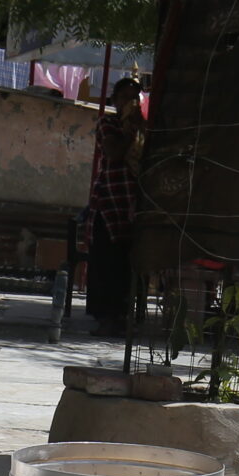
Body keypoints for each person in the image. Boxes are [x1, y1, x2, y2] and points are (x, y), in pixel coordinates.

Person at [85, 76, 148, 333]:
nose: (129, 103)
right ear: (115, 101)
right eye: (125, 98)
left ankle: (123, 315)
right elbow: (113, 153)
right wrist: (130, 131)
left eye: (134, 98)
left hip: (132, 204)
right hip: (109, 202)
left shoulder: (145, 127)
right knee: (105, 260)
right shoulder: (107, 123)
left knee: (125, 263)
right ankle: (104, 317)